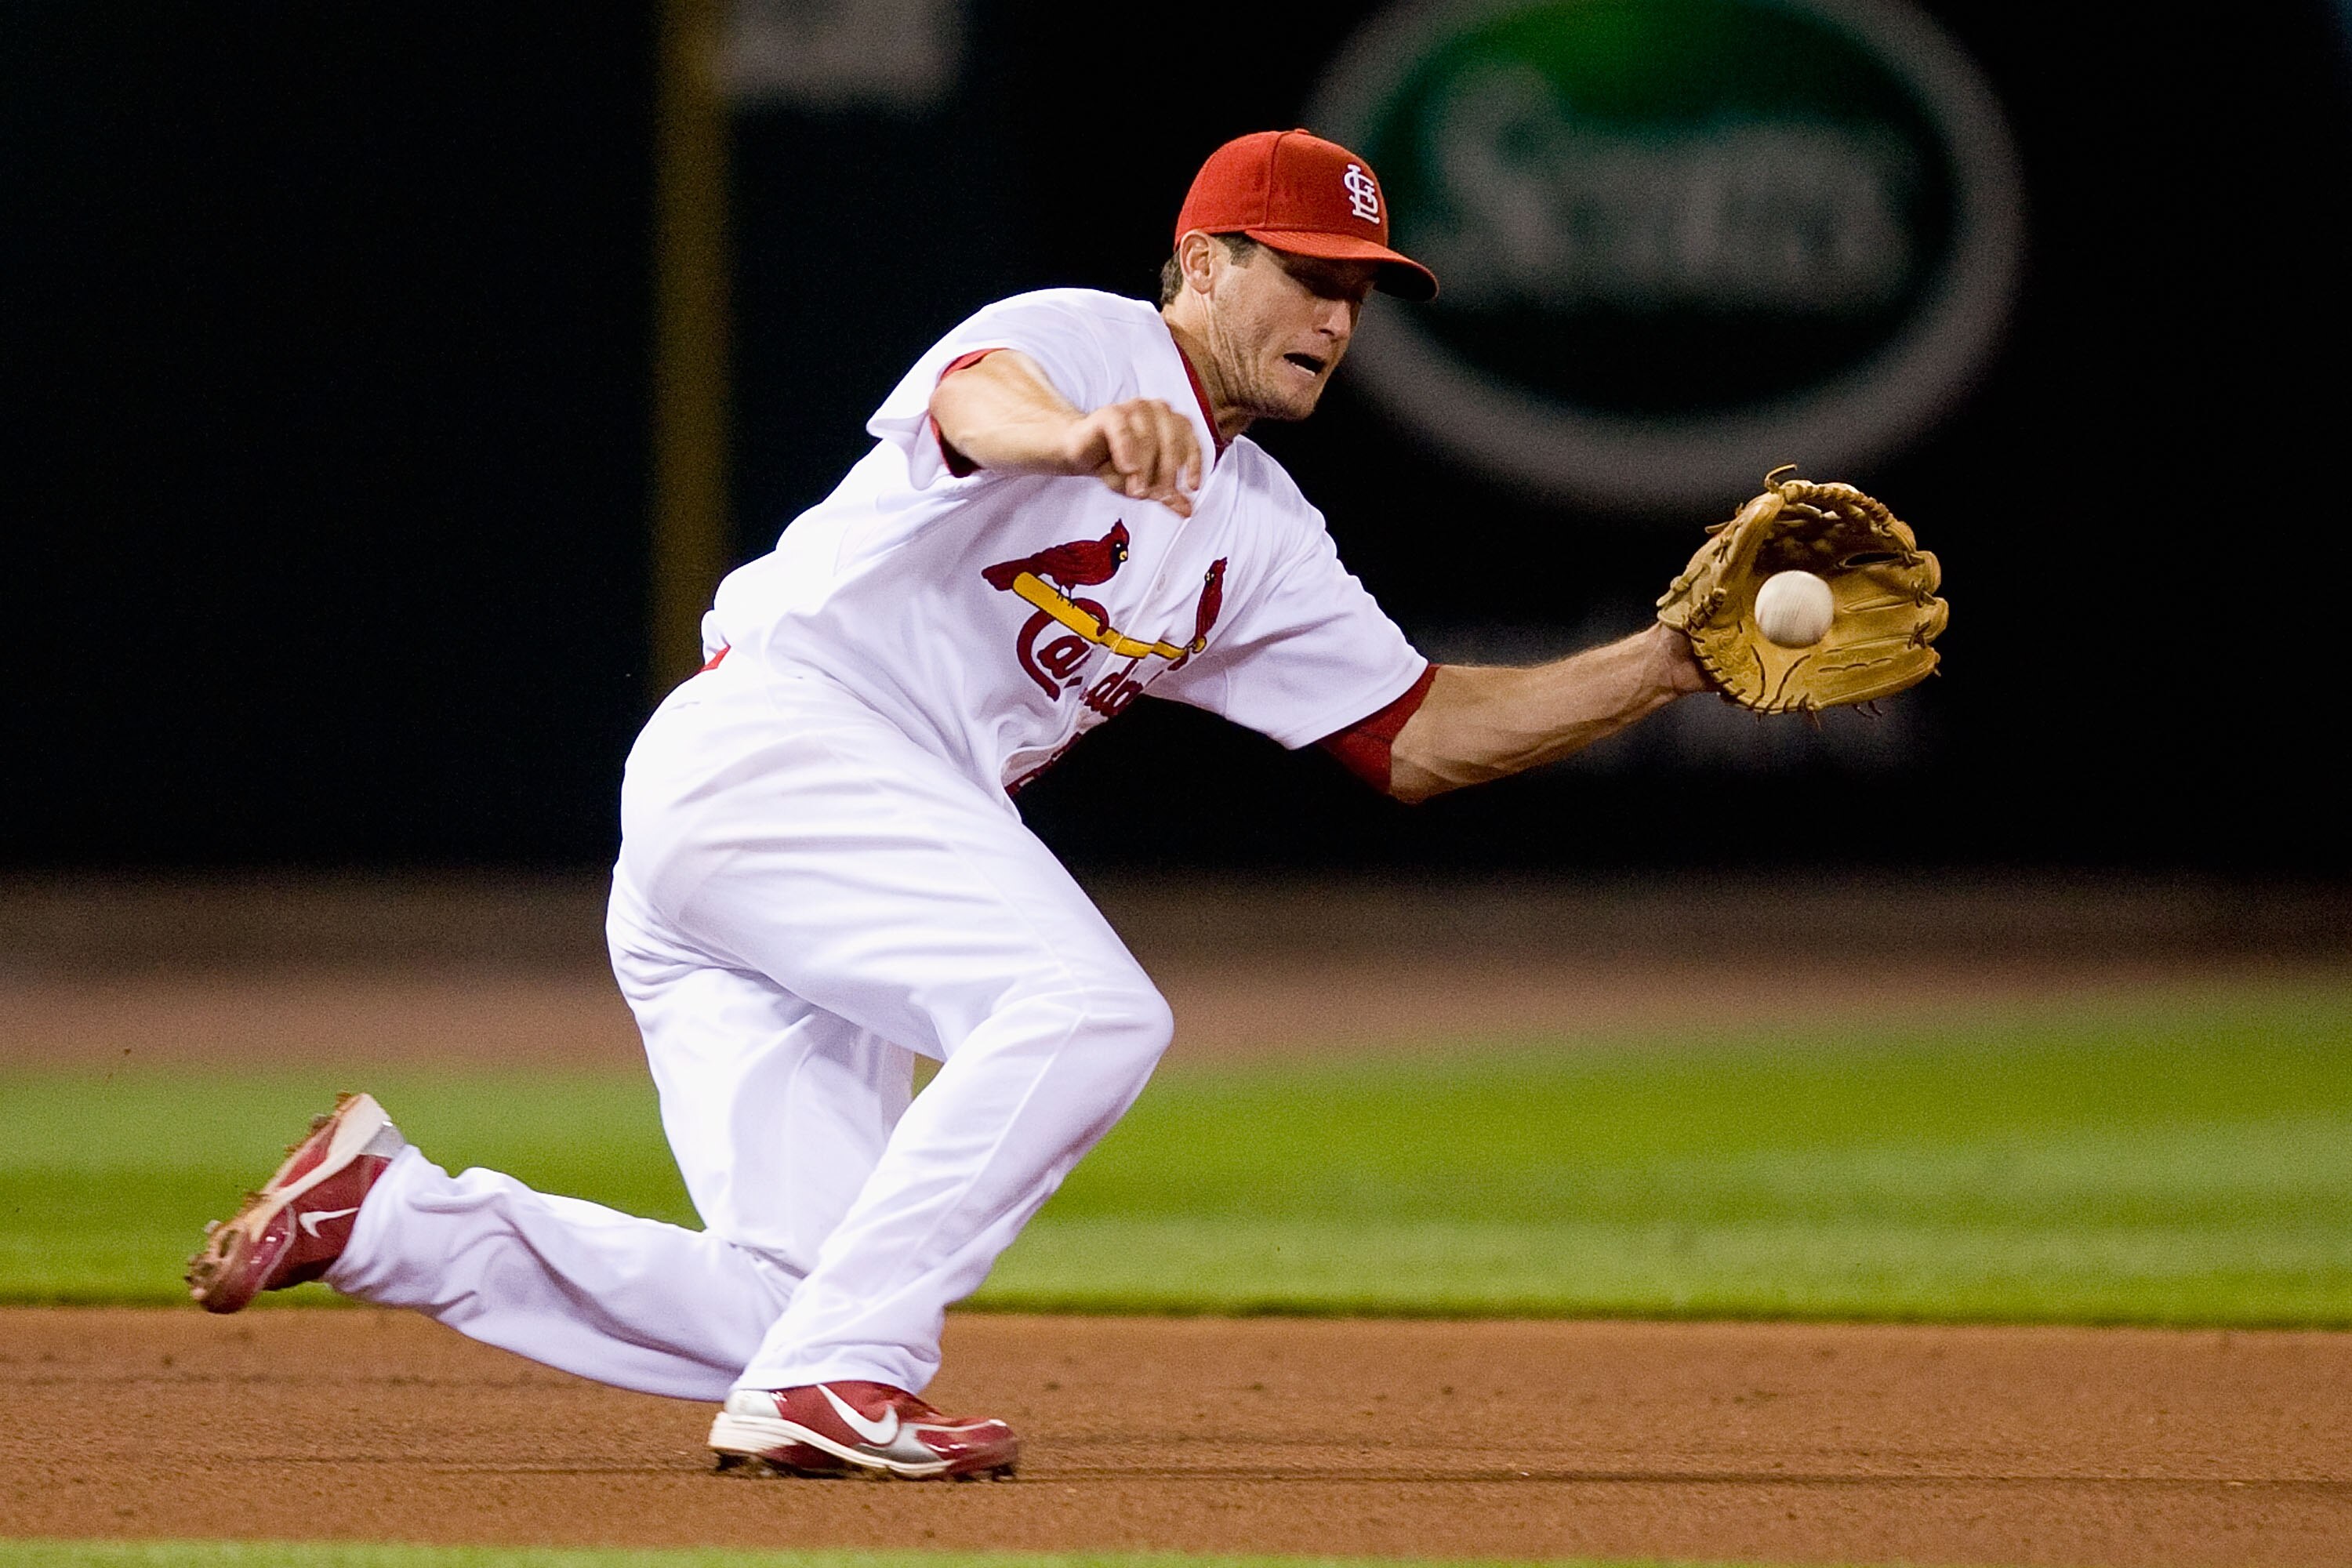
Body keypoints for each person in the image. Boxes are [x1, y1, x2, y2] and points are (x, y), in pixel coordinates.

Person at [187, 129, 1711, 1481]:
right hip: (790, 742)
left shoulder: (1265, 529)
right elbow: (981, 399)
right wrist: (1078, 435)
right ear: (1201, 260)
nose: (1335, 315)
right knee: (1089, 1010)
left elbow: (1418, 734)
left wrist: (1667, 662)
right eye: (1304, 272)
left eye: (1359, 289)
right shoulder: (1097, 343)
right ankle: (847, 1380)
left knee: (794, 1286)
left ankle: (390, 1219)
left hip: (794, 843)